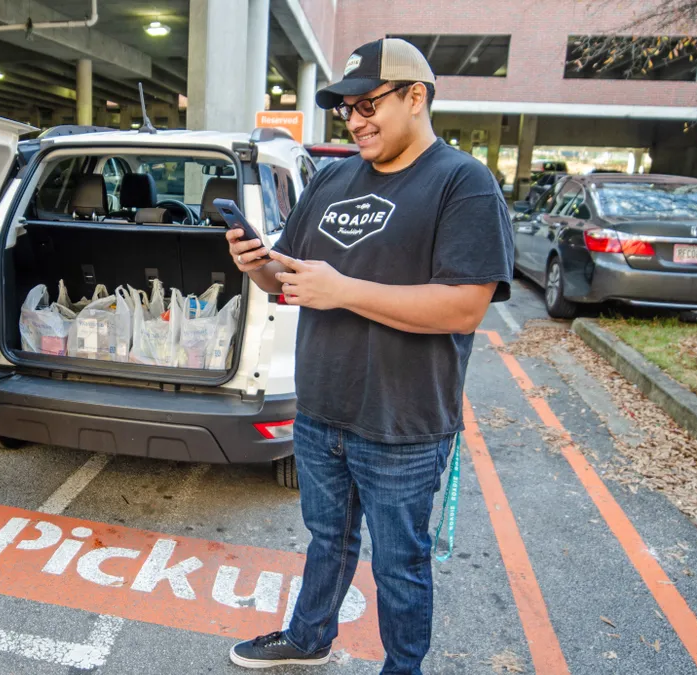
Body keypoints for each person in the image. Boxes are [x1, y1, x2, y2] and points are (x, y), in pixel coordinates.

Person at [226, 38, 514, 673]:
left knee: (399, 563)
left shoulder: (462, 183)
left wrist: (345, 291)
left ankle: (403, 668)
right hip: (322, 408)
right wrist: (258, 267)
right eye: (347, 110)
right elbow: (293, 279)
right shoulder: (332, 177)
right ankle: (310, 637)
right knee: (327, 538)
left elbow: (465, 306)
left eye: (367, 104)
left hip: (404, 421)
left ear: (417, 97)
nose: (355, 120)